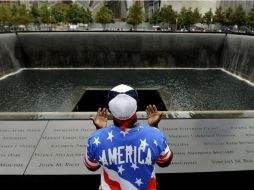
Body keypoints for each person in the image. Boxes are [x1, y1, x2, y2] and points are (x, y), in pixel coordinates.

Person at [84, 84, 173, 190]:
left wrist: (99, 131)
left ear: (110, 110)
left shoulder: (96, 139)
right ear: (136, 107)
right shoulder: (155, 135)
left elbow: (91, 166)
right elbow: (164, 162)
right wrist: (154, 127)